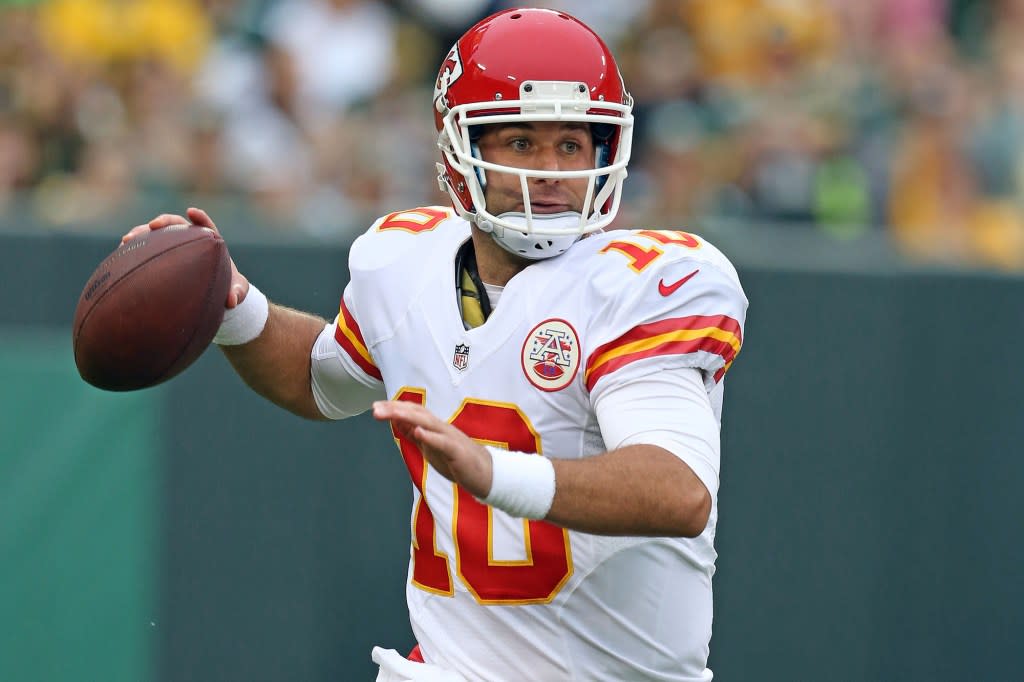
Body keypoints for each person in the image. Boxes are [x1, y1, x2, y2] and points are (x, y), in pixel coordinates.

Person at [124, 8, 748, 681]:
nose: (551, 171)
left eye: (571, 145)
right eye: (520, 143)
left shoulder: (640, 285)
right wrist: (234, 309)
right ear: (458, 151)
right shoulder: (405, 260)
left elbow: (678, 491)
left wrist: (494, 473)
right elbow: (319, 378)